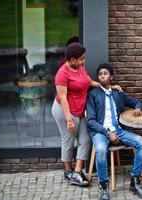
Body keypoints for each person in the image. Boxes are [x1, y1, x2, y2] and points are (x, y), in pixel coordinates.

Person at [51, 42, 121, 187]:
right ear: (72, 59)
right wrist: (69, 120)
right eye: (81, 59)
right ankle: (68, 171)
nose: (83, 61)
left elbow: (89, 82)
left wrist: (107, 87)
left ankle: (77, 172)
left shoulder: (80, 68)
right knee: (68, 139)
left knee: (85, 138)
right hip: (65, 110)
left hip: (80, 109)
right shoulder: (62, 74)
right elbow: (63, 98)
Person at [87, 63, 142, 200]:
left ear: (111, 77)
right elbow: (90, 121)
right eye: (100, 74)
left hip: (119, 131)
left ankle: (135, 181)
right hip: (101, 133)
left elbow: (137, 102)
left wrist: (138, 108)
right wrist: (107, 133)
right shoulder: (93, 94)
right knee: (101, 150)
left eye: (105, 73)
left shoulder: (118, 94)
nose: (102, 76)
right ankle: (103, 187)